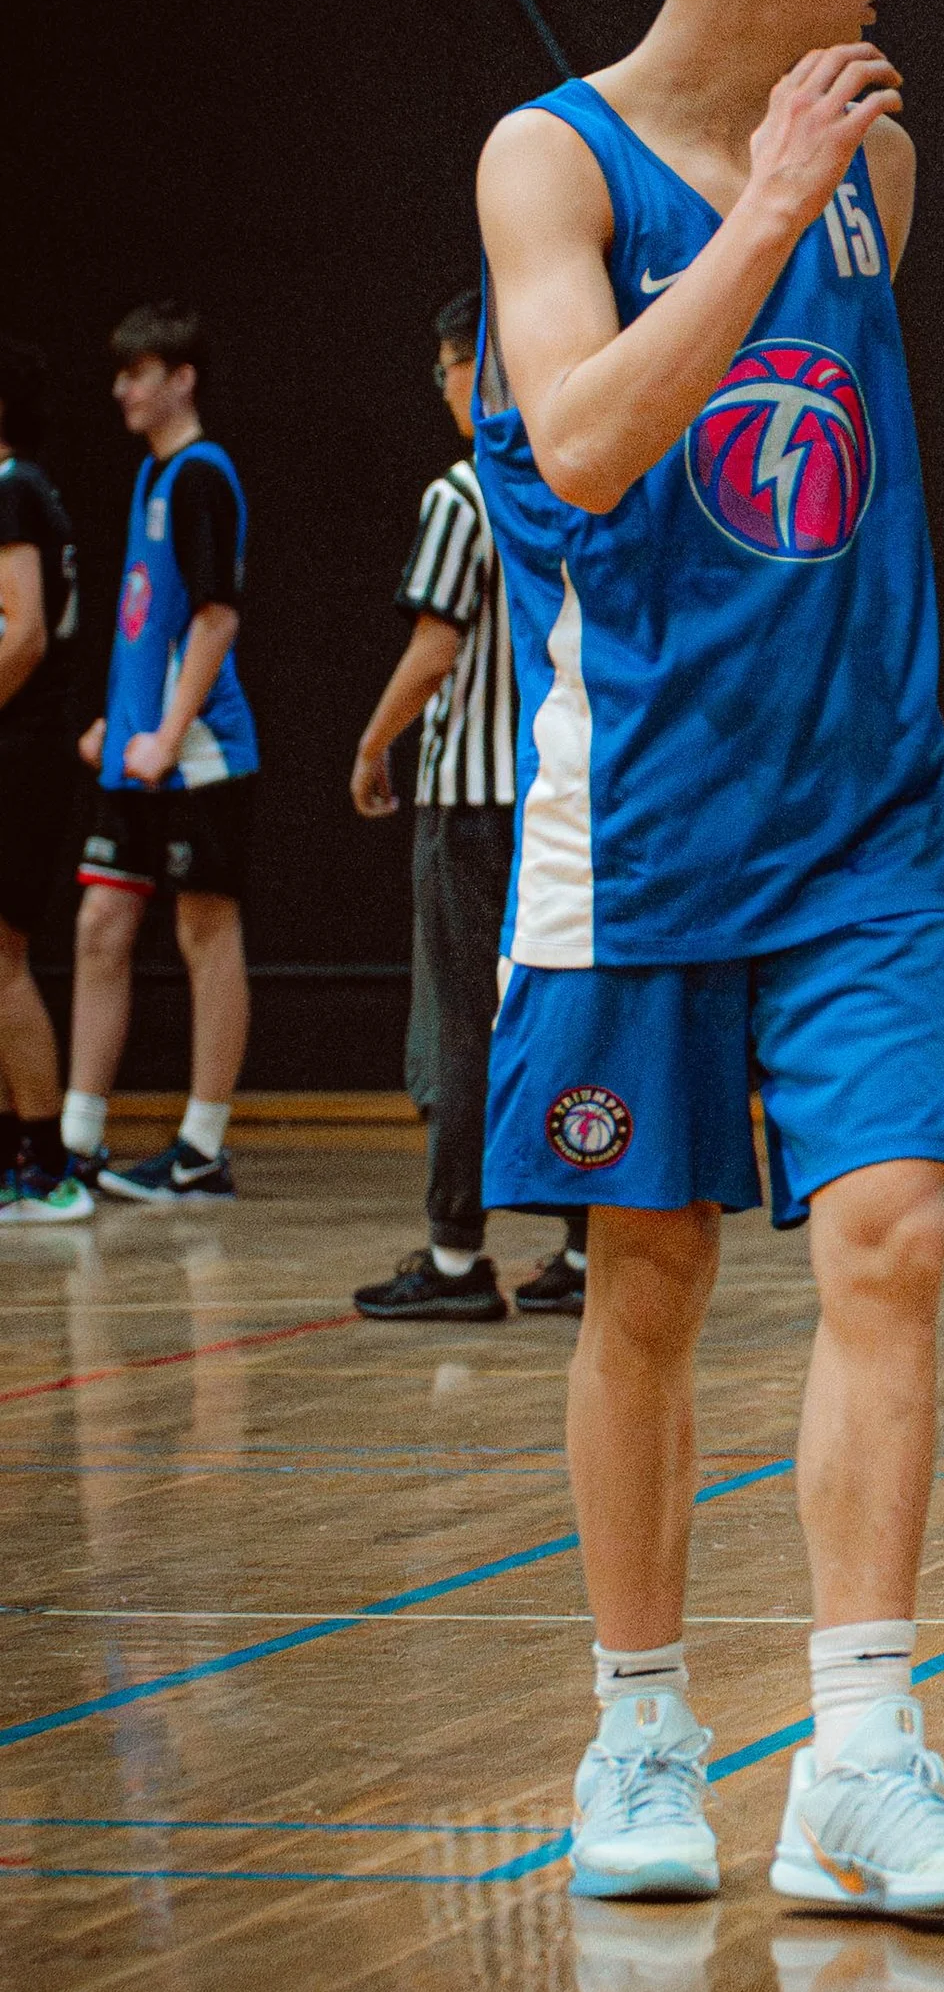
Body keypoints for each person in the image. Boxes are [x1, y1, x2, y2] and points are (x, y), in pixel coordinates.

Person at [474, 0, 944, 1919]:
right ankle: (638, 1729)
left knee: (888, 1242)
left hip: (861, 835)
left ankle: (865, 1759)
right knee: (647, 1276)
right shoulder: (551, 160)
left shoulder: (878, 167)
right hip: (635, 830)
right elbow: (591, 437)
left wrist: (816, 192)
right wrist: (766, 213)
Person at [348, 290, 581, 1328]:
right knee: (566, 1013)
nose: (440, 386)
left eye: (446, 365)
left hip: (469, 798)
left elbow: (436, 647)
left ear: (472, 369)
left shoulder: (464, 491)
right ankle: (586, 1237)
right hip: (557, 790)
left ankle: (453, 1254)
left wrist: (371, 739)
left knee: (458, 1026)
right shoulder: (582, 475)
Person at [65, 304, 260, 1205]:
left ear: (181, 378)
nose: (120, 388)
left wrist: (172, 731)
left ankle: (201, 1147)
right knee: (99, 928)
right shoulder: (152, 479)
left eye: (137, 371)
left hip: (201, 753)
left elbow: (216, 614)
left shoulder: (201, 475)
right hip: (137, 753)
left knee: (203, 932)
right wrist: (118, 720)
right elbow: (152, 620)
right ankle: (74, 1141)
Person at [0, 339, 86, 1227]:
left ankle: (46, 1162)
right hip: (26, 741)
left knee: (2, 956)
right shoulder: (25, 486)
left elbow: (22, 635)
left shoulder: (14, 487)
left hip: (20, 744)